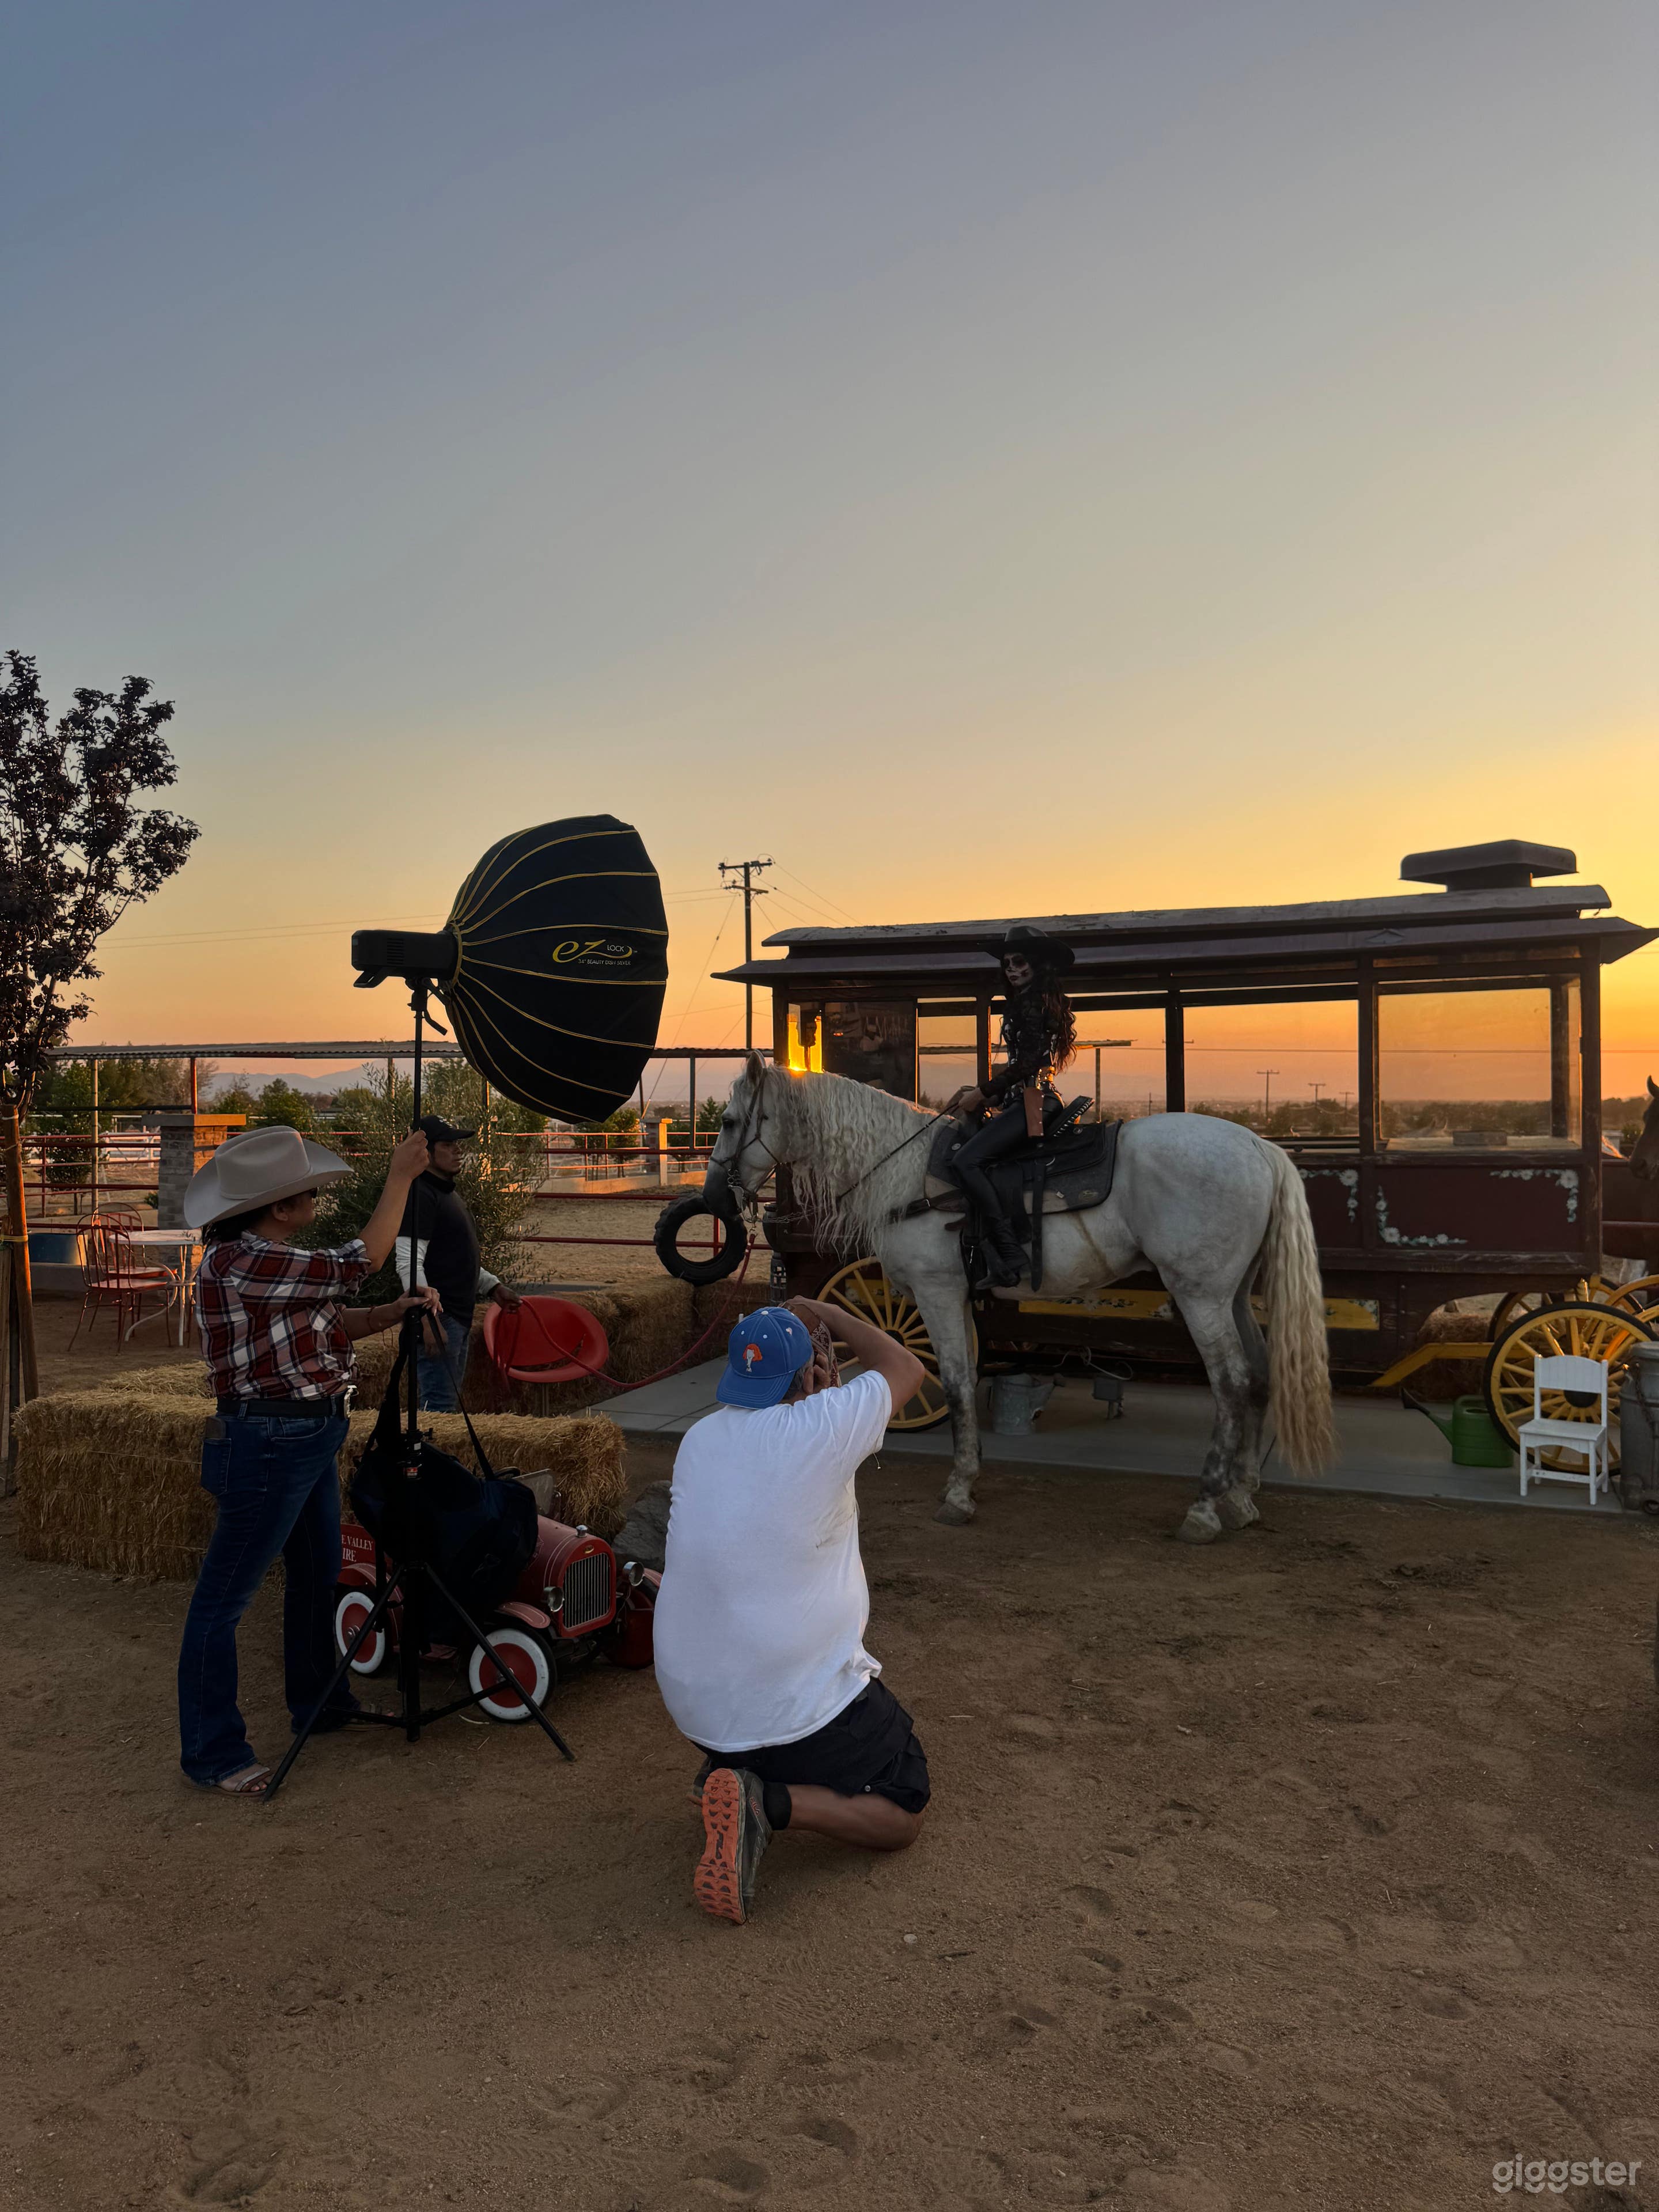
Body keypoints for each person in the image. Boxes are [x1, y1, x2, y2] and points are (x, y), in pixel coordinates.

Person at [176, 1122, 441, 1797]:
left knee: (316, 1574)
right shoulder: (243, 1261)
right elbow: (359, 1262)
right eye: (309, 1194)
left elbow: (327, 1316)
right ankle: (213, 1753)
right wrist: (401, 1177)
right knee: (224, 1599)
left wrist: (391, 1314)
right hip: (272, 1440)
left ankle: (320, 1702)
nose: (317, 1201)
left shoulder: (264, 1260)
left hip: (300, 1436)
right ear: (280, 1206)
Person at [652, 1297, 930, 1926]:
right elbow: (905, 1367)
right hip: (791, 1707)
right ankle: (766, 1801)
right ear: (809, 1376)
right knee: (902, 1811)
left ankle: (730, 1764)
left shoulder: (699, 1438)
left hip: (695, 1704)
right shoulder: (825, 1426)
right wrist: (824, 1309)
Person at [948, 922, 1078, 1287]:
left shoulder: (1032, 1004)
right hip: (1032, 1098)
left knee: (966, 1160)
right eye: (1007, 964)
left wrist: (984, 1091)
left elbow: (1029, 1064)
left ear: (1037, 964)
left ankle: (1008, 1250)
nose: (1013, 970)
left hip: (1035, 1101)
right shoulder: (1033, 1002)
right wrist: (986, 1093)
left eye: (1020, 962)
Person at [393, 1113, 522, 1412]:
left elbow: (456, 1256)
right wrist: (428, 1320)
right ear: (426, 1151)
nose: (458, 1151)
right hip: (442, 1317)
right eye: (449, 1145)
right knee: (439, 1405)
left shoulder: (444, 1193)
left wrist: (492, 1287)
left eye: (458, 1145)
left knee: (445, 1404)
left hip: (452, 1318)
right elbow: (408, 1261)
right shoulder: (421, 1195)